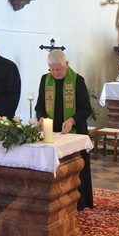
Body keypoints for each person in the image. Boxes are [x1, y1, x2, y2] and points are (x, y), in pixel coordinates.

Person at [35, 49, 93, 211]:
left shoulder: (77, 80)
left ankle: (78, 203)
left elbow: (86, 109)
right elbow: (40, 106)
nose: (55, 73)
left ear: (66, 64)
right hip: (51, 132)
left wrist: (72, 119)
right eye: (51, 69)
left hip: (73, 131)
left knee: (75, 168)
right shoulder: (45, 80)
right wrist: (41, 117)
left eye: (58, 69)